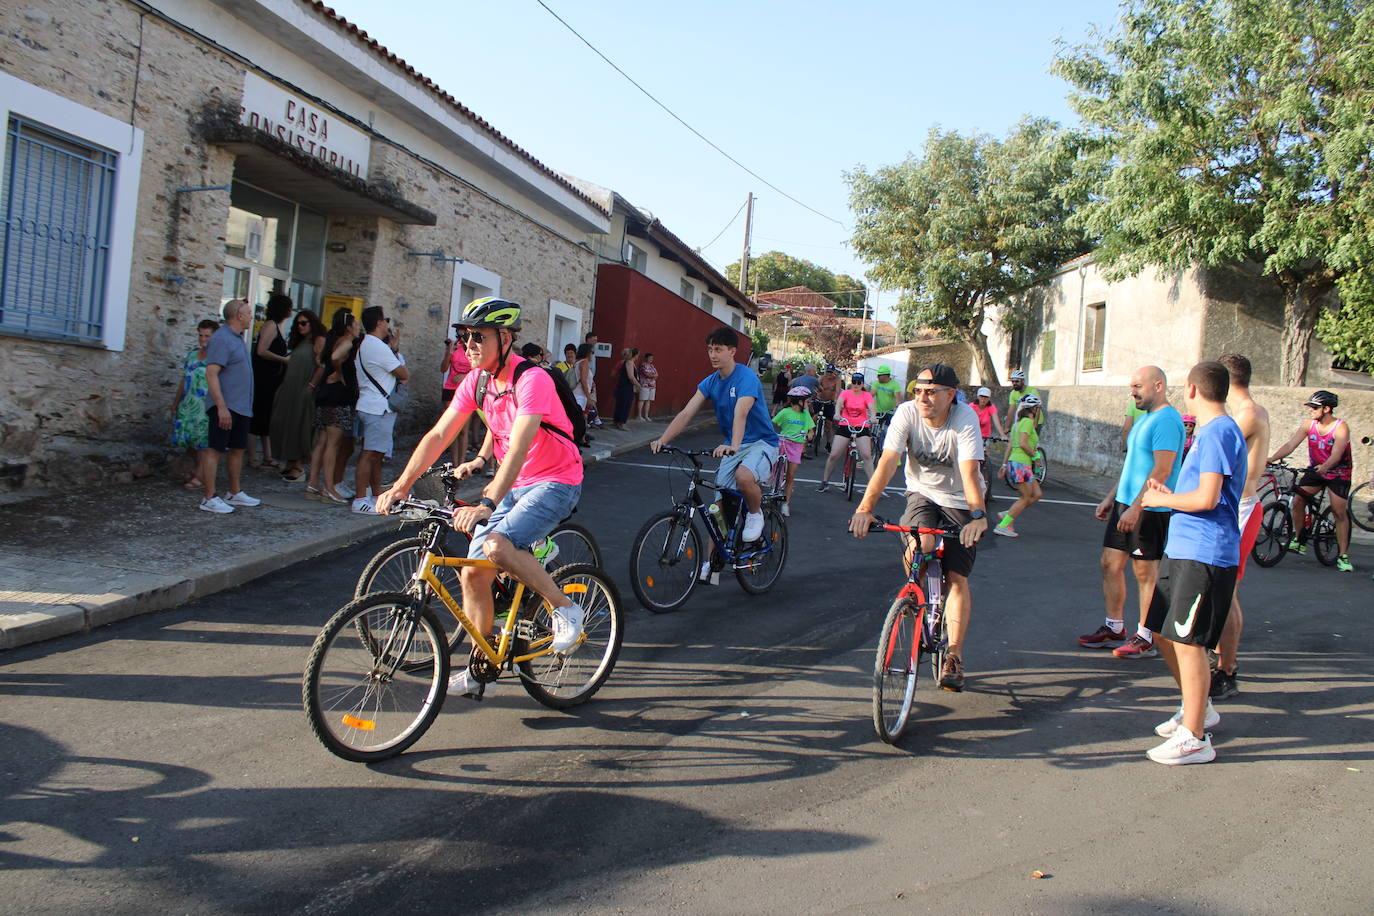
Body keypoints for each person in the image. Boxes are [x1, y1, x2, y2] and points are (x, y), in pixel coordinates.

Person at [375, 297, 586, 699]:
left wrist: (486, 503)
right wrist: (402, 484)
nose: (467, 345)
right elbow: (439, 436)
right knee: (473, 573)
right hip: (516, 483)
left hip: (556, 479)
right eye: (463, 337)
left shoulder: (533, 380)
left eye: (477, 336)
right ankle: (482, 665)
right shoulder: (478, 381)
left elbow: (521, 446)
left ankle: (565, 609)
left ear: (504, 338)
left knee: (497, 545)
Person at [849, 363, 989, 691]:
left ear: (950, 395)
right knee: (919, 546)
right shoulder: (906, 413)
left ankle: (954, 654)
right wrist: (865, 509)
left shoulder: (965, 418)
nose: (923, 398)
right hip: (922, 494)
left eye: (931, 391)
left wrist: (979, 517)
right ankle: (915, 597)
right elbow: (887, 462)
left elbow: (970, 473)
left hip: (960, 499)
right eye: (918, 391)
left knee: (957, 578)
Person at [1138, 361, 1248, 765]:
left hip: (1205, 553)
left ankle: (1195, 737)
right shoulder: (1208, 432)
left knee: (1189, 642)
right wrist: (1169, 491)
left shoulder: (1219, 430)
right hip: (1184, 549)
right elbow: (1199, 492)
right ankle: (1196, 707)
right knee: (1164, 633)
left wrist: (1161, 500)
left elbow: (1208, 498)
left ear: (1192, 390)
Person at [651, 326, 780, 573]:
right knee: (717, 511)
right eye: (710, 349)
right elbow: (687, 412)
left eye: (718, 349)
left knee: (744, 477)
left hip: (761, 443)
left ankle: (755, 513)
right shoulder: (710, 382)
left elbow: (740, 414)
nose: (712, 354)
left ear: (732, 351)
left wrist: (732, 445)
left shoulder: (746, 378)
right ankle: (709, 565)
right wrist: (663, 440)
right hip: (734, 446)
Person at [1078, 366, 1185, 657]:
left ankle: (1146, 636)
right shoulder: (1145, 419)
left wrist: (1136, 509)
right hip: (1126, 503)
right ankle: (1114, 627)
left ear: (1158, 385)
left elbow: (1161, 470)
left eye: (1138, 386)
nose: (1132, 391)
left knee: (1145, 572)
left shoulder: (1167, 421)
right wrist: (1112, 498)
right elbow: (1132, 465)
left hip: (1150, 507)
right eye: (1132, 386)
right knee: (1109, 563)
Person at [1211, 353, 1270, 700]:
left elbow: (1216, 450)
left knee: (1226, 592)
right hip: (1240, 507)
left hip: (1242, 509)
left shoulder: (1246, 415)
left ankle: (1227, 670)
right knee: (1222, 590)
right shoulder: (1248, 413)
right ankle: (1222, 660)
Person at [1268, 389, 1355, 572]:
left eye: (1314, 407)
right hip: (1316, 470)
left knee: (1339, 512)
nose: (1310, 410)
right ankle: (1299, 539)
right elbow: (1291, 445)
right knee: (1298, 499)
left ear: (1327, 409)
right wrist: (1271, 458)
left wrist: (1325, 467)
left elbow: (1337, 454)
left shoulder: (1340, 427)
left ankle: (1343, 555)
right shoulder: (1309, 425)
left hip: (1338, 472)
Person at [198, 299, 260, 514]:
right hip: (226, 406)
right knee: (215, 449)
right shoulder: (222, 339)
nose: (252, 316)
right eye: (249, 312)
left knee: (237, 449)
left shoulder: (237, 339)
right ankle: (209, 497)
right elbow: (212, 373)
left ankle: (234, 492)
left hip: (241, 406)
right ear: (239, 315)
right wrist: (221, 407)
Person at [351, 307, 409, 514]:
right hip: (376, 407)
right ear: (379, 323)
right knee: (369, 454)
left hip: (375, 406)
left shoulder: (371, 345)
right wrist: (394, 351)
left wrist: (393, 349)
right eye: (385, 320)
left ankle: (376, 495)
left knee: (376, 454)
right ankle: (360, 499)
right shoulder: (376, 346)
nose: (387, 324)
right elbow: (403, 373)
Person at [306, 310, 360, 504]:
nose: (358, 327)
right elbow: (336, 357)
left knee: (322, 441)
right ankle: (329, 488)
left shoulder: (332, 339)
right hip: (337, 398)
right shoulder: (346, 341)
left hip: (325, 396)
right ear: (348, 327)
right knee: (333, 444)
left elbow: (320, 359)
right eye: (355, 324)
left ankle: (312, 483)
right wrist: (338, 372)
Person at [270, 309, 326, 482]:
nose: (300, 326)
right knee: (283, 424)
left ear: (312, 323)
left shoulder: (318, 340)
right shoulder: (300, 342)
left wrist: (311, 385)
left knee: (300, 426)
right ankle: (289, 461)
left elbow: (322, 365)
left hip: (304, 388)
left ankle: (299, 466)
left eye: (304, 323)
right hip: (289, 389)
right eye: (298, 323)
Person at [171, 319, 220, 489]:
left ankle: (200, 475)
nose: (203, 339)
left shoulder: (217, 357)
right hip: (189, 402)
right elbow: (184, 380)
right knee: (189, 440)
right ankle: (202, 470)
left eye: (207, 336)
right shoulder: (192, 354)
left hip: (205, 404)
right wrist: (176, 401)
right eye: (200, 335)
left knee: (203, 441)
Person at [249, 293, 293, 468]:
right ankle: (253, 457)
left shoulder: (276, 326)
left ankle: (267, 455)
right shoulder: (270, 326)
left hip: (272, 379)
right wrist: (283, 360)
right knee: (258, 417)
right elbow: (261, 351)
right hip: (264, 379)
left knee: (266, 418)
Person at [993, 394, 1043, 538]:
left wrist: (1004, 464)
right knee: (1025, 498)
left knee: (1037, 494)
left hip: (1018, 463)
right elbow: (1022, 443)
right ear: (1033, 408)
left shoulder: (1017, 424)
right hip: (1021, 464)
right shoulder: (1027, 422)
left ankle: (1009, 514)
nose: (1039, 411)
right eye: (1038, 408)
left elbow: (1010, 445)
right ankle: (1003, 525)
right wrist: (1036, 456)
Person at [819, 372, 876, 492]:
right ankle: (825, 481)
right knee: (834, 455)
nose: (856, 385)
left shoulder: (866, 395)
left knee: (866, 455)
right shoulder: (845, 393)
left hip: (861, 426)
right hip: (845, 424)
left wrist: (873, 417)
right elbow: (839, 403)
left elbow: (871, 407)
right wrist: (837, 413)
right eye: (854, 382)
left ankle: (873, 486)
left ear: (862, 384)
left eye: (858, 382)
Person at [771, 385, 815, 516]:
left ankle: (785, 504)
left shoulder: (805, 415)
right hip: (783, 442)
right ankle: (774, 486)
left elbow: (811, 430)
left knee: (790, 476)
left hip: (796, 446)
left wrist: (810, 434)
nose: (808, 404)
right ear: (799, 401)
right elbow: (772, 423)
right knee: (775, 468)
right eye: (807, 401)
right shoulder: (785, 412)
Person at [442, 327, 474, 465]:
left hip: (466, 389)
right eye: (460, 330)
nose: (461, 333)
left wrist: (465, 376)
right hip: (450, 389)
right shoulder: (454, 347)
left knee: (463, 429)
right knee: (452, 429)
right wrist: (448, 353)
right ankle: (455, 464)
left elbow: (479, 369)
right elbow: (443, 369)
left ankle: (461, 463)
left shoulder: (472, 348)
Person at [870, 365, 904, 438]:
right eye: (877, 375)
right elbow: (871, 395)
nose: (877, 377)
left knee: (888, 430)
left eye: (879, 375)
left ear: (886, 376)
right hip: (879, 411)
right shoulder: (876, 383)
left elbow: (898, 397)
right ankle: (873, 444)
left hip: (890, 411)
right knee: (873, 430)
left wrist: (897, 408)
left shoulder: (894, 384)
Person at [813, 365, 841, 451]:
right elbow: (816, 387)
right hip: (819, 400)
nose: (829, 374)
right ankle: (811, 436)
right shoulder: (822, 378)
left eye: (831, 372)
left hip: (830, 402)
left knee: (829, 424)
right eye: (827, 372)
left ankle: (828, 443)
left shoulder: (837, 380)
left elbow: (837, 391)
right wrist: (816, 393)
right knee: (814, 419)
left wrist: (836, 400)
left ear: (834, 373)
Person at [612, 347, 640, 429]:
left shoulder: (626, 362)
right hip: (626, 386)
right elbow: (631, 376)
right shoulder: (629, 363)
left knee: (621, 404)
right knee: (625, 404)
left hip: (623, 385)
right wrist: (638, 385)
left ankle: (617, 421)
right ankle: (622, 423)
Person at [636, 352, 658, 420]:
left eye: (652, 358)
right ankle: (639, 415)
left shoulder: (652, 366)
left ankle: (646, 416)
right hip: (644, 385)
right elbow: (646, 374)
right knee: (642, 399)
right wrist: (652, 376)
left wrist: (652, 376)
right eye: (649, 358)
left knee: (648, 400)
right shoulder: (643, 365)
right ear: (646, 358)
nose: (651, 359)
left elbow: (657, 375)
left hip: (652, 386)